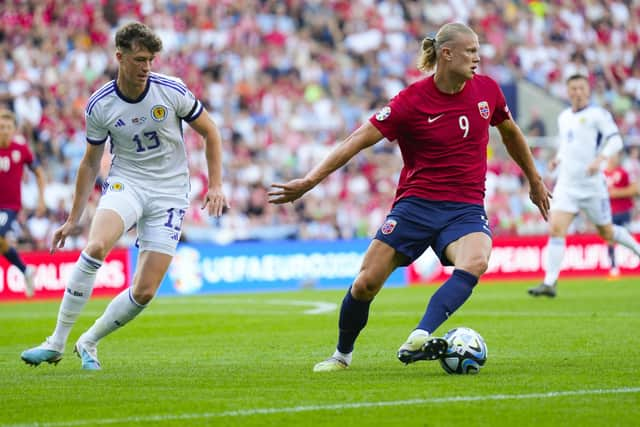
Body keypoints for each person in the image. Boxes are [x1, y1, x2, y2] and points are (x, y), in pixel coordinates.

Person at [269, 22, 551, 372]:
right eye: (471, 51)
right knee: (365, 283)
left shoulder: (488, 90)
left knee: (476, 261)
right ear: (447, 54)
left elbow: (511, 133)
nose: (478, 58)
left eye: (478, 51)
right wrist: (311, 180)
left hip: (465, 207)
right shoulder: (411, 101)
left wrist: (535, 180)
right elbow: (357, 140)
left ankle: (420, 335)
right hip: (415, 205)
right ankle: (342, 355)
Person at [21, 22, 228, 370]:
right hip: (127, 182)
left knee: (145, 291)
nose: (147, 67)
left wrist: (217, 184)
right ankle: (56, 341)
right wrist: (73, 218)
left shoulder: (170, 90)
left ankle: (89, 341)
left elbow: (210, 131)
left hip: (171, 192)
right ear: (120, 57)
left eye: (150, 60)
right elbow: (89, 164)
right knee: (96, 246)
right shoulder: (100, 105)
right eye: (139, 59)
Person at [528, 74, 640, 298]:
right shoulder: (564, 117)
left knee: (606, 231)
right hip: (568, 184)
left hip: (592, 186)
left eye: (580, 88)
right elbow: (566, 144)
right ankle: (550, 282)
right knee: (556, 228)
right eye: (573, 89)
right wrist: (558, 159)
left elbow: (616, 139)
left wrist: (601, 159)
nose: (577, 92)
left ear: (587, 91)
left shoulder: (598, 115)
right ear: (568, 92)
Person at [0, 109, 46, 298]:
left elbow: (39, 173)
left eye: (8, 127)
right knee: (1, 243)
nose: (4, 131)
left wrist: (41, 199)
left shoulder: (21, 149)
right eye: (1, 127)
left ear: (14, 129)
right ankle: (25, 270)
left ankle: (24, 270)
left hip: (9, 206)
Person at [604, 152, 637, 278]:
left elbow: (634, 190)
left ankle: (633, 261)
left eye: (616, 155)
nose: (614, 158)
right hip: (608, 213)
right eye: (612, 155)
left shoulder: (623, 172)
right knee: (610, 239)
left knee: (628, 238)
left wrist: (616, 192)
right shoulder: (602, 175)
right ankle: (613, 267)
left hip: (624, 211)